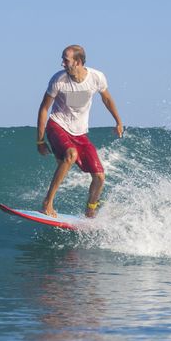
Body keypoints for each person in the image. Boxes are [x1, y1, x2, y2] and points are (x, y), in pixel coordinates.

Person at [37, 45, 123, 218]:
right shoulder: (58, 80)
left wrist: (118, 121)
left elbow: (106, 98)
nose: (62, 63)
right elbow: (44, 108)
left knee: (99, 176)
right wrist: (40, 140)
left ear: (77, 62)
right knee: (71, 154)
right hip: (58, 125)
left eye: (66, 60)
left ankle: (90, 210)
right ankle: (47, 203)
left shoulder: (96, 77)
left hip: (79, 132)